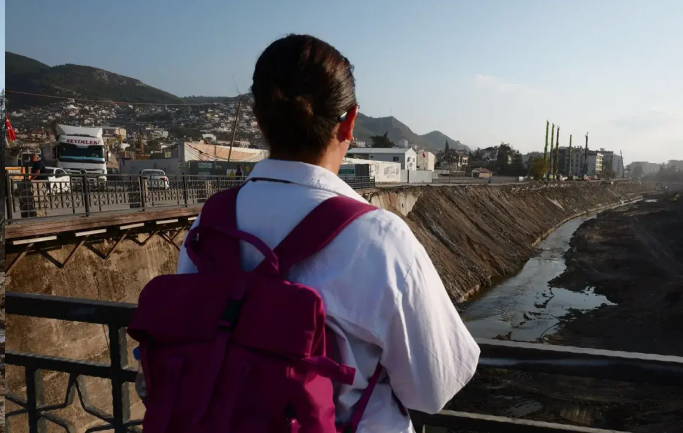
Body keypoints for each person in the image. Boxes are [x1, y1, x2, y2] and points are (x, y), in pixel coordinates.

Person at [170, 34, 478, 432]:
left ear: (259, 119)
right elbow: (433, 388)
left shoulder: (209, 225)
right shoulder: (379, 238)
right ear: (349, 122)